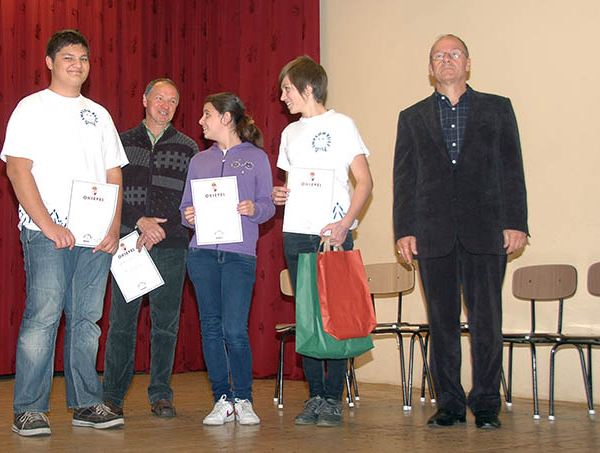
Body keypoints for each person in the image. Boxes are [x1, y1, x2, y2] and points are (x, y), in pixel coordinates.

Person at [393, 34, 528, 430]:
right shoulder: (412, 117)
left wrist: (516, 222)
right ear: (430, 67)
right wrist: (404, 229)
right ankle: (449, 404)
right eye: (438, 55)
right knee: (442, 324)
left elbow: (512, 168)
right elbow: (404, 178)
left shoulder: (497, 109)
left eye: (454, 54)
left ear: (467, 63)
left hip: (486, 232)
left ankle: (486, 404)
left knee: (487, 321)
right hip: (432, 235)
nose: (446, 59)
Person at [1, 29, 128, 436]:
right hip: (46, 232)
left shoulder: (99, 114)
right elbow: (17, 170)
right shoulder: (30, 108)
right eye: (68, 57)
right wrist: (48, 225)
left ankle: (87, 403)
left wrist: (113, 227)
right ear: (50, 62)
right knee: (43, 316)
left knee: (87, 320)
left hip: (96, 236)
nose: (77, 64)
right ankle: (29, 408)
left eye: (83, 58)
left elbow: (113, 174)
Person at [271, 56, 373, 427]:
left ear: (309, 88)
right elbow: (291, 186)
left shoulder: (342, 124)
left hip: (333, 234)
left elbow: (365, 182)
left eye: (287, 89)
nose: (283, 97)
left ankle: (333, 398)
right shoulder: (289, 134)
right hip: (296, 233)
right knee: (308, 317)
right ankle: (315, 395)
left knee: (337, 314)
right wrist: (279, 195)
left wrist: (345, 224)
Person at [102, 78, 198, 420]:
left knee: (165, 325)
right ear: (144, 100)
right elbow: (110, 192)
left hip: (171, 246)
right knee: (122, 324)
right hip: (129, 244)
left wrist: (163, 229)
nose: (165, 106)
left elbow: (192, 201)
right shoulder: (121, 142)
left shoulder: (189, 147)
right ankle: (112, 396)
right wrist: (139, 221)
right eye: (159, 98)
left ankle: (160, 394)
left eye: (172, 101)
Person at [180, 92, 274, 426]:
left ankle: (244, 398)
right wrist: (189, 215)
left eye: (207, 114)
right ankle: (222, 398)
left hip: (239, 256)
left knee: (234, 329)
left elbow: (268, 205)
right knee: (210, 328)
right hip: (202, 254)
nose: (201, 121)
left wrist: (254, 209)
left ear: (226, 118)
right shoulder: (198, 161)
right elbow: (185, 207)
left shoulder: (256, 158)